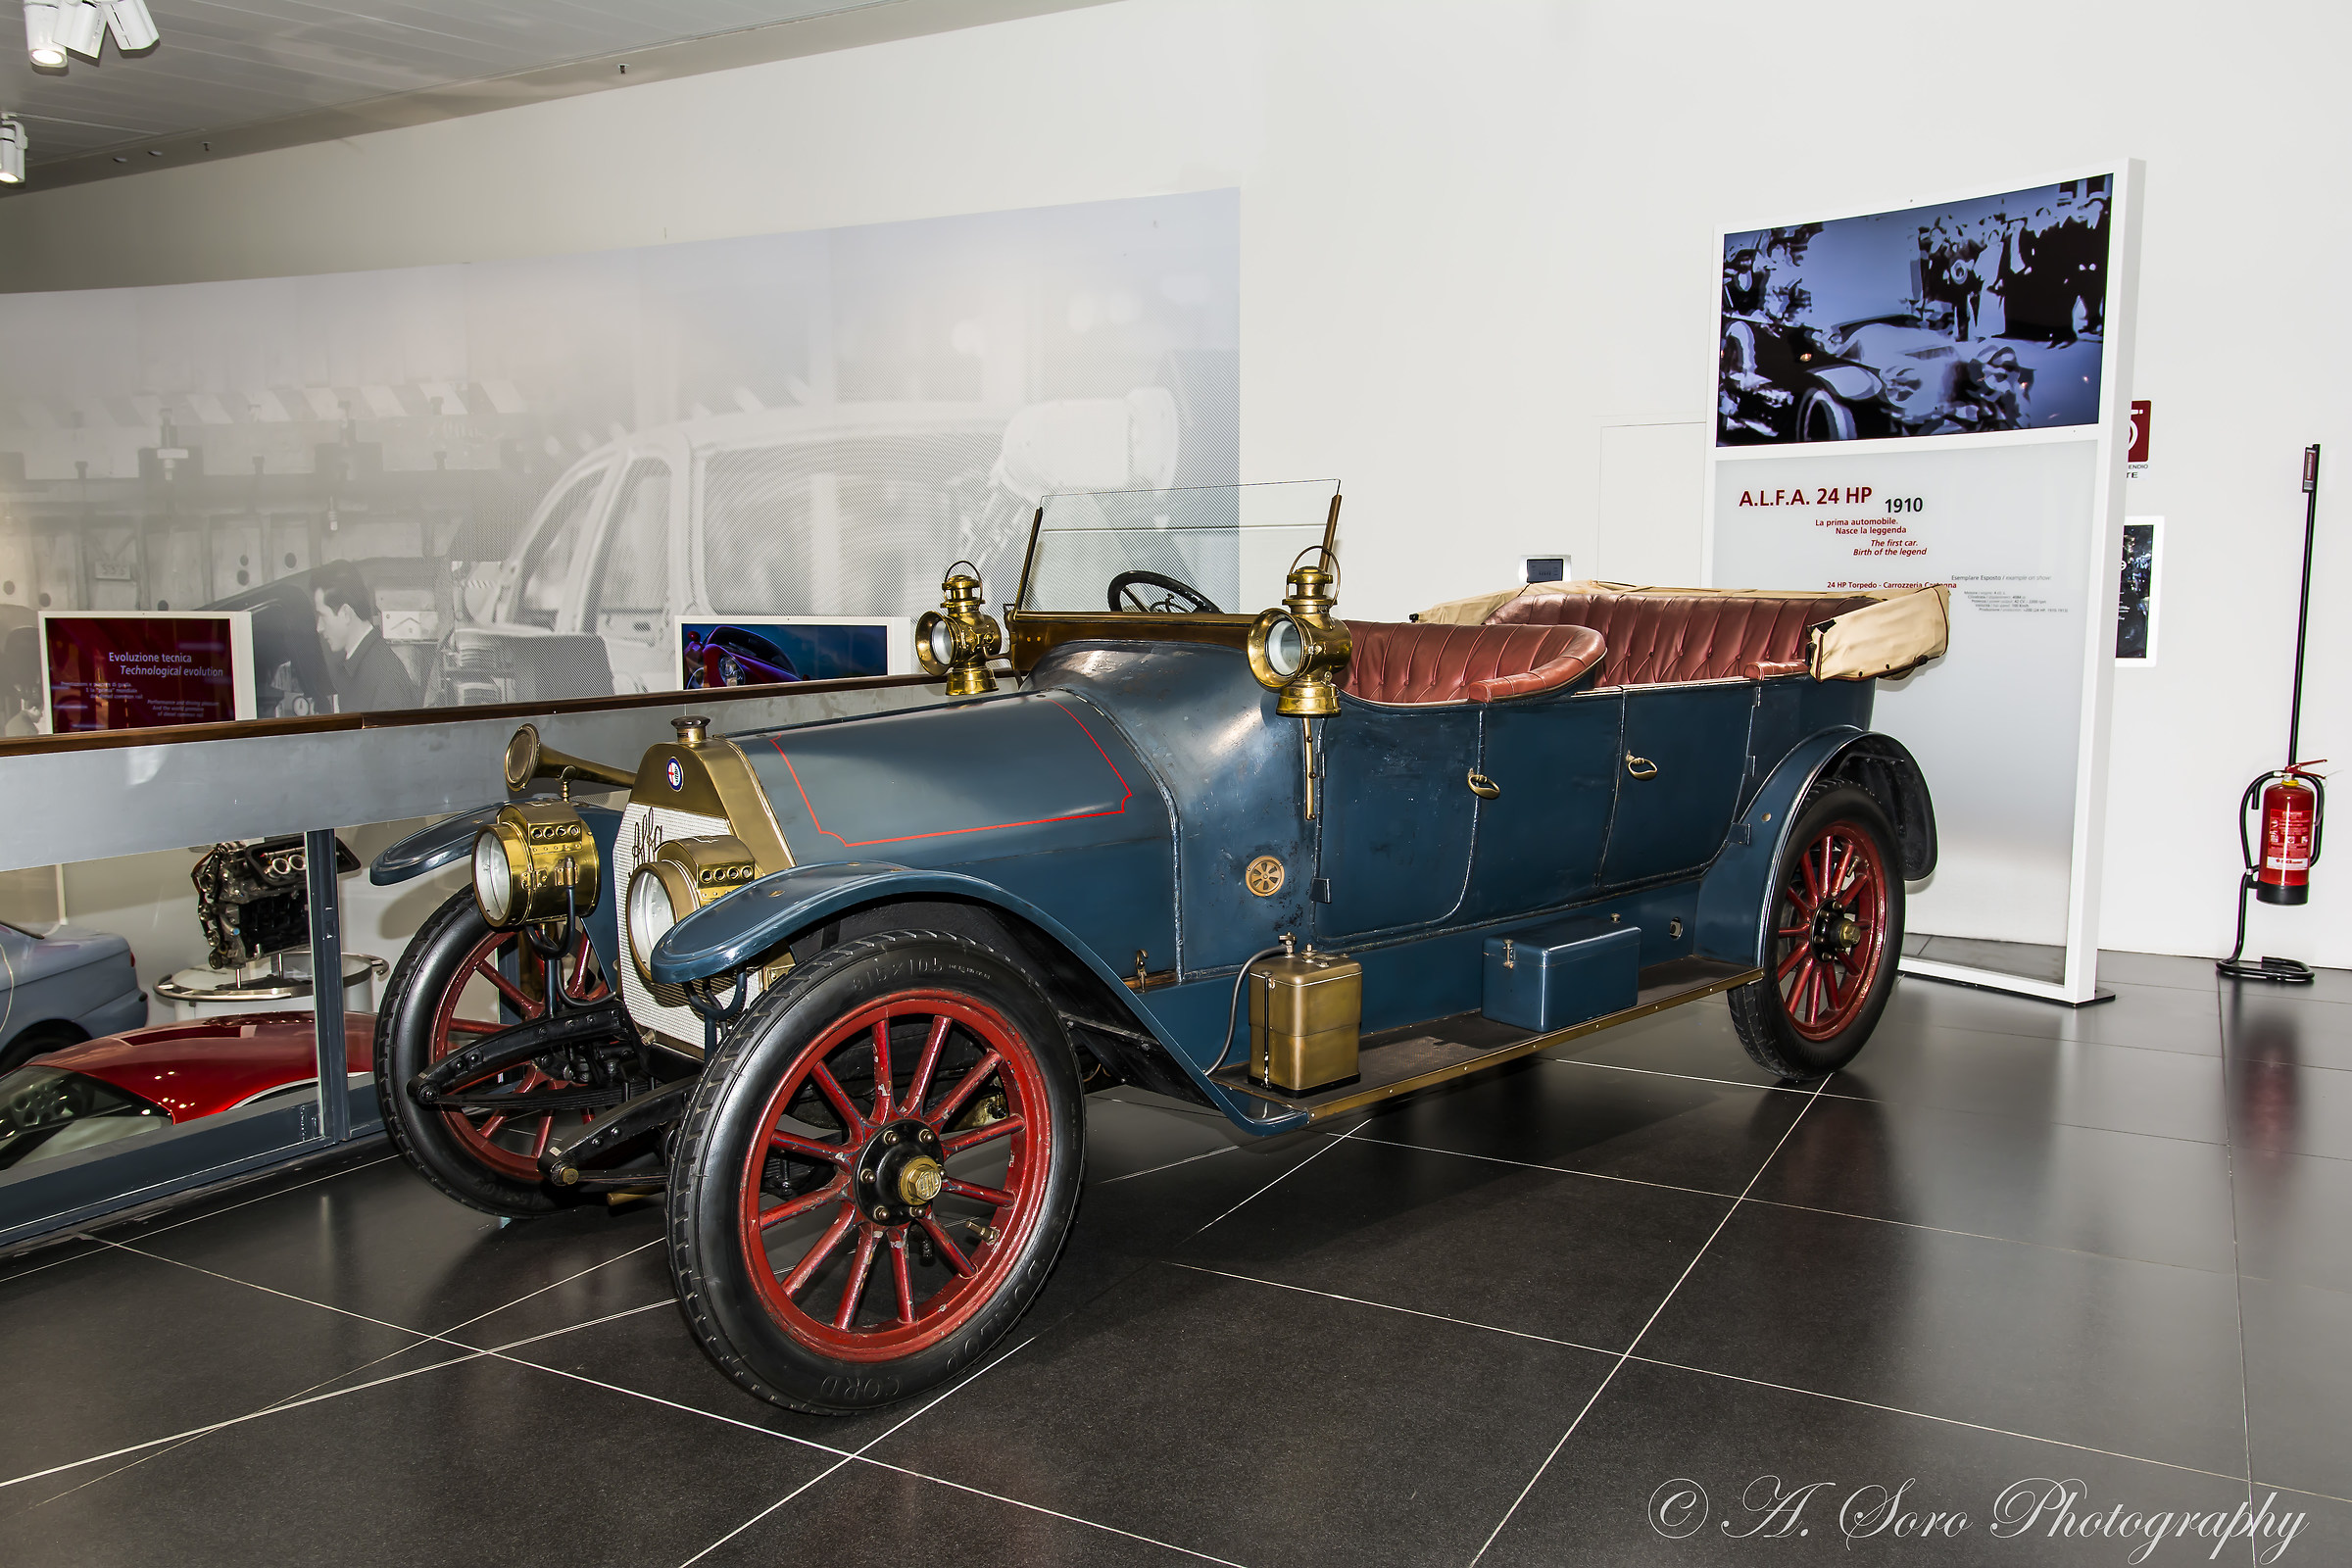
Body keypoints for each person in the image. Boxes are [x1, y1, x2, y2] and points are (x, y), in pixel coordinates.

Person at [312, 564, 420, 712]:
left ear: (345, 613)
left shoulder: (386, 680)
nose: (319, 627)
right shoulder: (360, 666)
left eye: (323, 616)